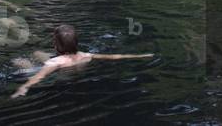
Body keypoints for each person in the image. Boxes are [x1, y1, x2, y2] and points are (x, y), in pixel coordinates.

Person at [11, 24, 153, 98]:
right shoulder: (87, 55)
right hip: (72, 69)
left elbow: (39, 76)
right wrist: (139, 56)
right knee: (38, 53)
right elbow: (115, 56)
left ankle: (21, 64)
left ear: (55, 45)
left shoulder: (53, 63)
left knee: (18, 61)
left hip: (56, 77)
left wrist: (24, 87)